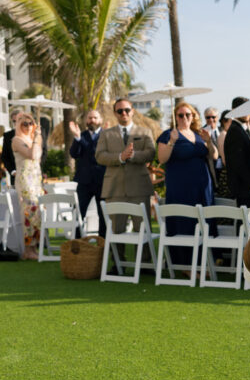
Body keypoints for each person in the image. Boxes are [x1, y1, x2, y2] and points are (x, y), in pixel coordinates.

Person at [157, 101, 216, 264]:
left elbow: (214, 156)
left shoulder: (199, 134)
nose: (184, 118)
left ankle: (205, 262)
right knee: (183, 221)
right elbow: (162, 159)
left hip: (202, 187)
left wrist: (209, 142)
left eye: (187, 114)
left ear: (193, 116)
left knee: (203, 220)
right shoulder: (168, 134)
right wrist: (172, 142)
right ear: (175, 117)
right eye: (180, 115)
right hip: (180, 187)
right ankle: (183, 263)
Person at [95, 97, 156, 238]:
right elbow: (100, 156)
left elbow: (151, 153)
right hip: (114, 189)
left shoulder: (145, 132)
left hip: (139, 188)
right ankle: (118, 260)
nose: (124, 113)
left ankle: (144, 260)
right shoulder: (106, 134)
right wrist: (120, 157)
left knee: (143, 231)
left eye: (127, 110)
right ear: (115, 113)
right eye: (120, 111)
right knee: (116, 232)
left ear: (132, 111)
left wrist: (133, 155)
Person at [68, 109, 106, 237]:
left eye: (95, 117)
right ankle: (77, 244)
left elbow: (95, 152)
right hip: (84, 182)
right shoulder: (80, 135)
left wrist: (80, 139)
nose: (92, 120)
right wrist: (77, 138)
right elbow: (73, 153)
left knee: (103, 215)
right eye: (90, 118)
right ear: (86, 121)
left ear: (100, 120)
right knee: (78, 213)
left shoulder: (107, 135)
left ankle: (103, 244)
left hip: (103, 181)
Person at [12, 112, 43, 259]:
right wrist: (36, 139)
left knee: (38, 211)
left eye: (30, 123)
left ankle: (35, 246)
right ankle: (28, 249)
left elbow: (38, 157)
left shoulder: (35, 139)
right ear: (18, 125)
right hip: (25, 180)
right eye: (24, 123)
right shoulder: (17, 140)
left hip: (36, 178)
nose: (28, 126)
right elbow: (31, 155)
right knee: (29, 211)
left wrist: (37, 137)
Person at [223, 97, 250, 208]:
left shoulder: (242, 129)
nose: (246, 111)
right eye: (243, 108)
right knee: (246, 222)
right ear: (234, 110)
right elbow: (238, 162)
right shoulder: (235, 131)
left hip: (247, 185)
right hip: (245, 187)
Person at [1, 107, 22, 183]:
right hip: (15, 178)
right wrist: (12, 171)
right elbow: (4, 156)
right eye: (14, 121)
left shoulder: (32, 134)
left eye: (19, 120)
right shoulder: (7, 136)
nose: (16, 123)